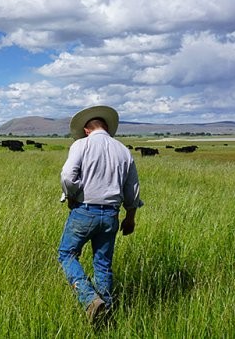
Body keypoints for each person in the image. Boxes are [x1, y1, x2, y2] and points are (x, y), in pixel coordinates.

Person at [57, 105, 143, 324]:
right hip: (112, 216)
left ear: (87, 130)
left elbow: (67, 176)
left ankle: (89, 299)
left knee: (66, 254)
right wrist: (130, 217)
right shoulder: (123, 150)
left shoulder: (81, 145)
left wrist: (72, 195)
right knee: (103, 264)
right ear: (106, 127)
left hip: (85, 211)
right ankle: (105, 315)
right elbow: (132, 189)